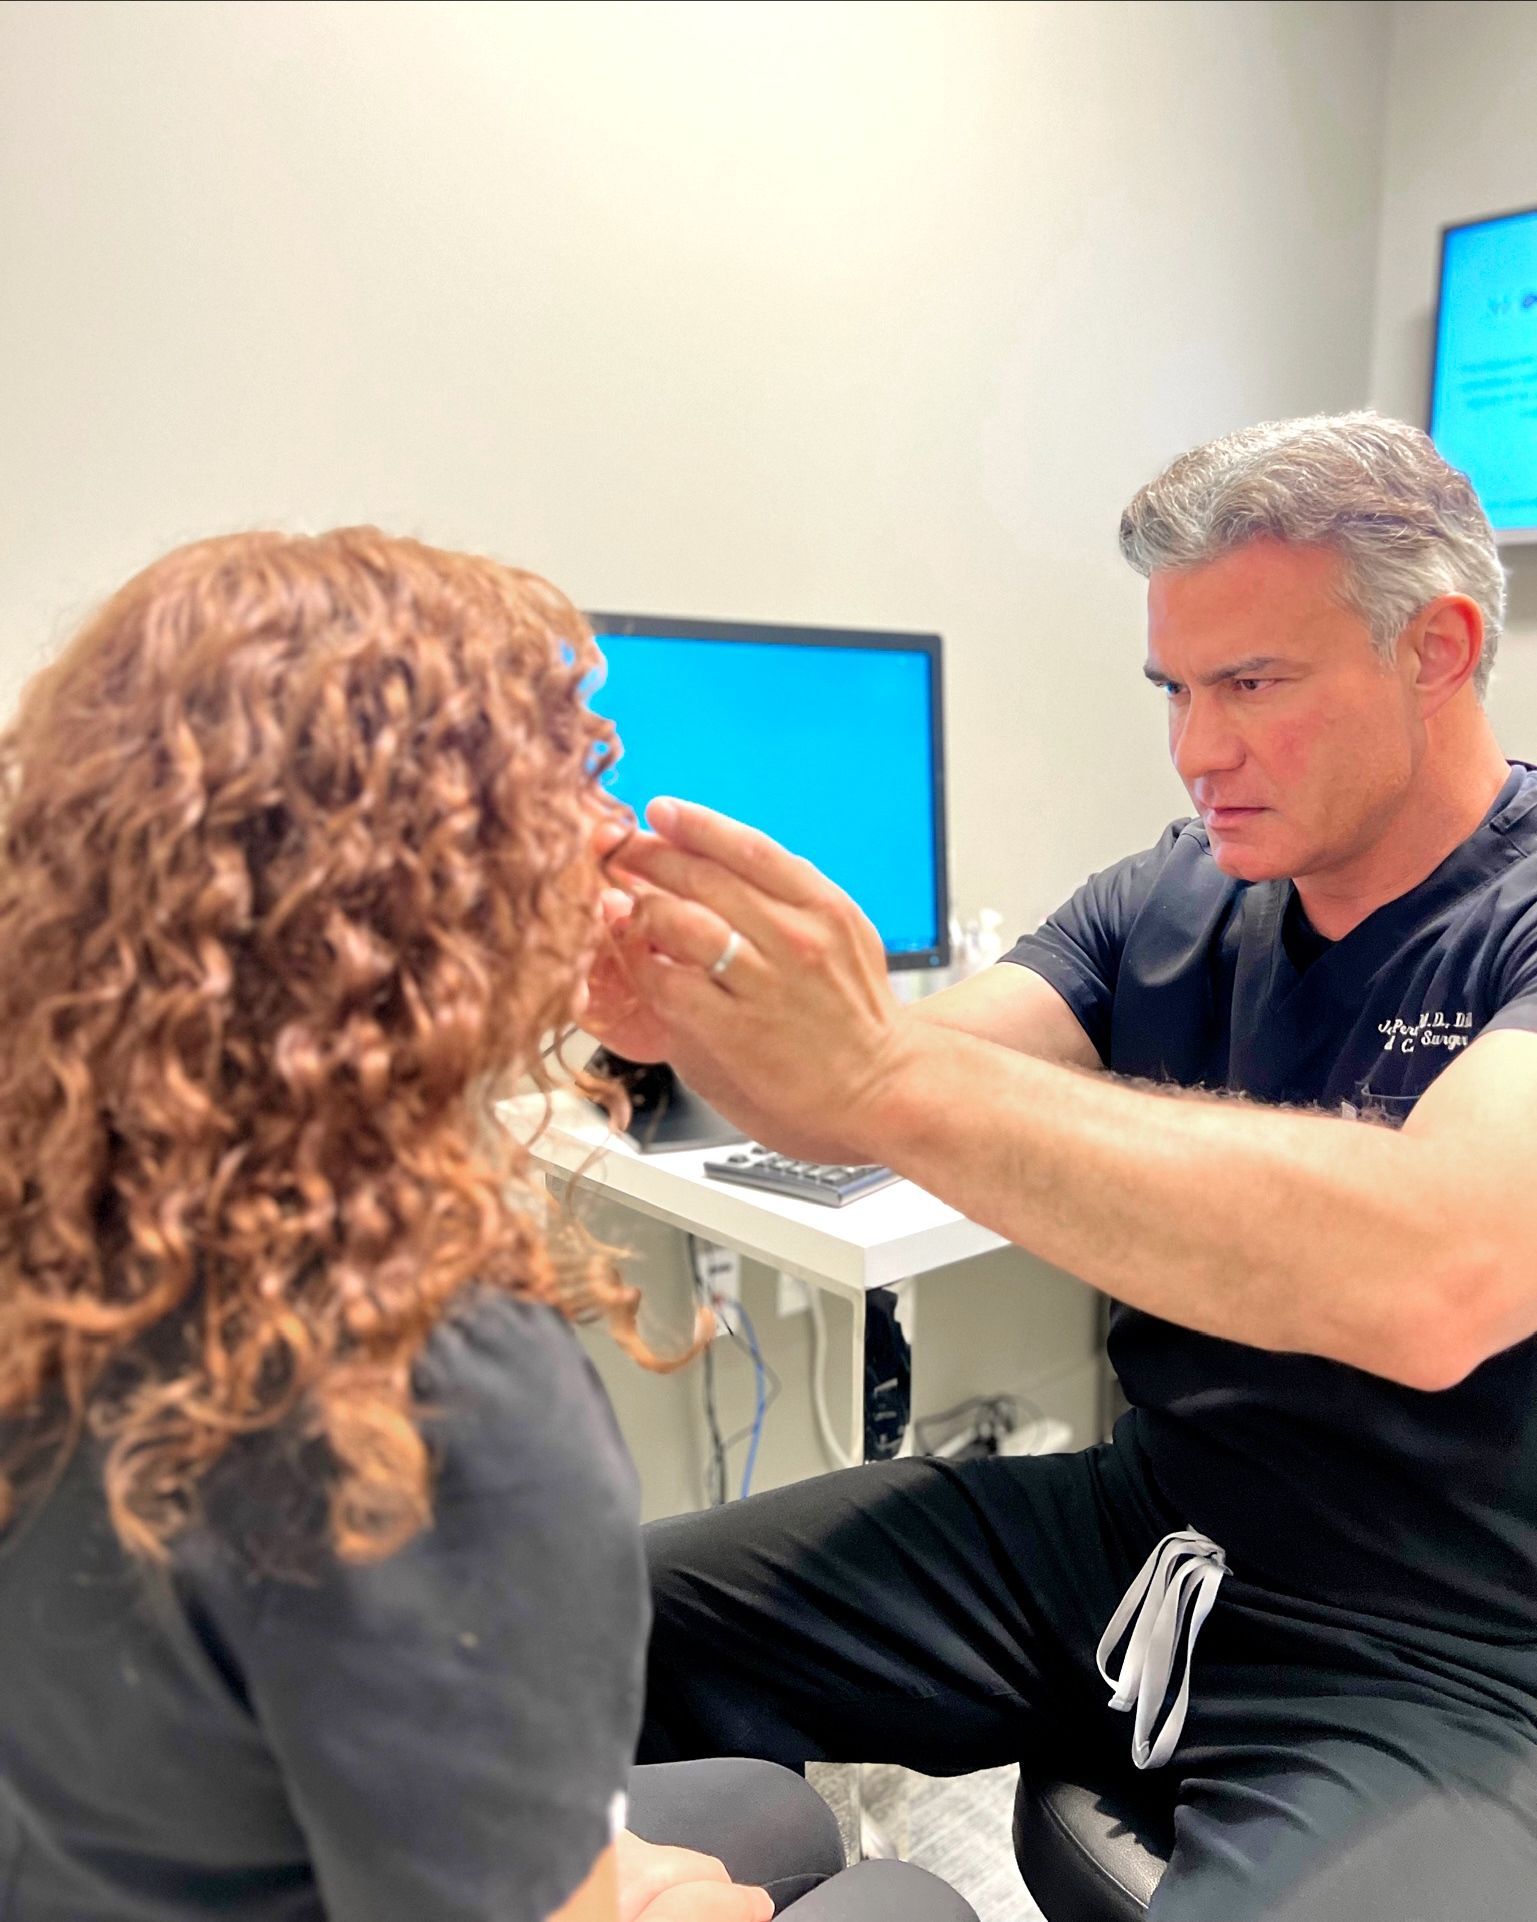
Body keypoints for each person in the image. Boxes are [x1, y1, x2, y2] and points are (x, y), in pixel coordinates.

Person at [588, 414, 1537, 1920]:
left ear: (1436, 649)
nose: (1196, 749)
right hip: (1148, 1523)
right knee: (565, 1623)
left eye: (1250, 684)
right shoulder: (1171, 891)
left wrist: (879, 1071)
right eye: (1175, 689)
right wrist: (703, 1021)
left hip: (1444, 1632)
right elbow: (866, 1100)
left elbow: (1438, 1273)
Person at [0, 529, 976, 1922]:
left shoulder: (69, 1215)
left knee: (768, 1807)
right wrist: (654, 1903)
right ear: (426, 880)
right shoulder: (434, 1386)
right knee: (903, 1900)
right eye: (579, 779)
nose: (618, 832)